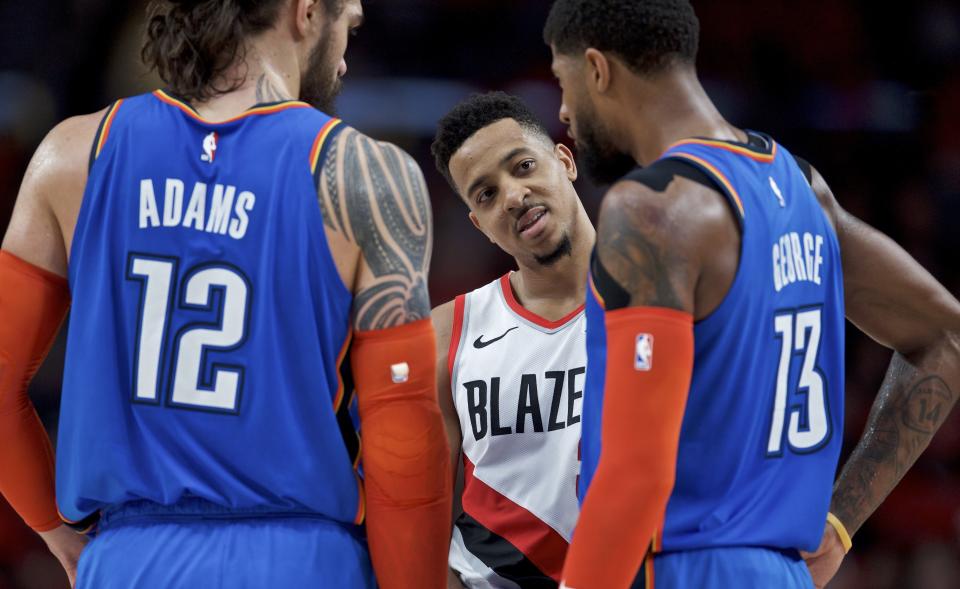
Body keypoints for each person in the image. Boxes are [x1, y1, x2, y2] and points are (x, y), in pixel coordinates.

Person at [0, 0, 452, 587]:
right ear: (306, 11)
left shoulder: (73, 155)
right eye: (349, 19)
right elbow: (403, 442)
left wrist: (55, 530)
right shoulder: (364, 175)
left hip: (130, 559)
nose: (356, 21)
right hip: (300, 561)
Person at [542, 1, 960, 588]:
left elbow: (635, 476)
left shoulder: (652, 210)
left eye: (563, 83)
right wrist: (840, 522)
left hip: (683, 568)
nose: (562, 111)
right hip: (782, 574)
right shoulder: (801, 190)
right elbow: (943, 333)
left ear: (597, 69)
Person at [429, 92, 594, 588]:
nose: (514, 196)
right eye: (486, 194)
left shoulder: (659, 302)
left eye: (523, 166)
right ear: (480, 225)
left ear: (565, 161)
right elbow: (419, 515)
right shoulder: (446, 332)